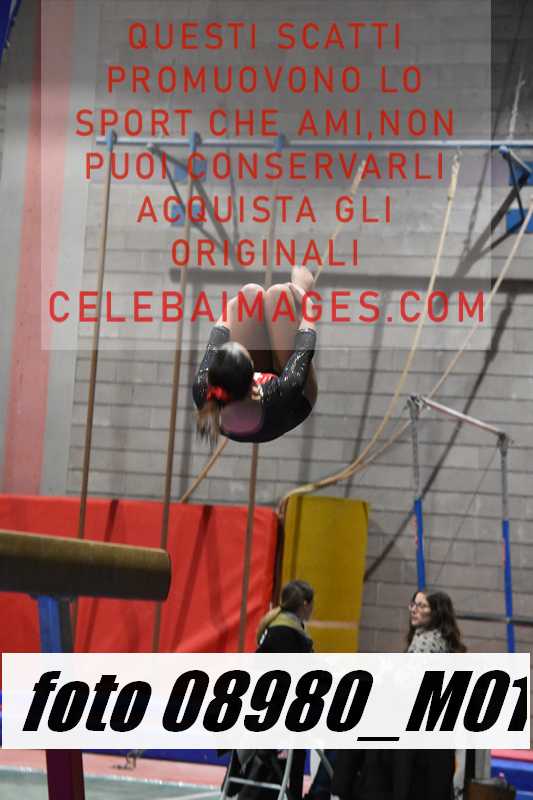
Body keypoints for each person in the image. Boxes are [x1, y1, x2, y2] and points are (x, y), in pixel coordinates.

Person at [192, 266, 317, 446]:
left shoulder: (202, 387)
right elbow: (303, 350)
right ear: (254, 383)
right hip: (293, 403)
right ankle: (294, 292)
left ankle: (266, 317)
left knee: (250, 294)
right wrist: (304, 298)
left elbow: (218, 334)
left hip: (247, 396)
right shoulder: (281, 392)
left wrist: (233, 304)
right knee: (280, 295)